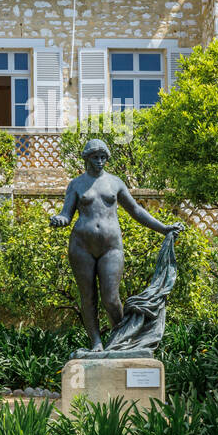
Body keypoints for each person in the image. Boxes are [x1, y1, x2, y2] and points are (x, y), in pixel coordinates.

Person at [50, 139, 181, 351]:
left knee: (111, 298)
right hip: (81, 245)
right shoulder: (76, 184)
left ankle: (122, 339)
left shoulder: (115, 182)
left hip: (111, 246)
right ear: (86, 158)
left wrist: (164, 228)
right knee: (88, 297)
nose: (100, 161)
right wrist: (60, 220)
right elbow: (67, 214)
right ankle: (96, 342)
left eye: (103, 157)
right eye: (95, 157)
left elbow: (136, 211)